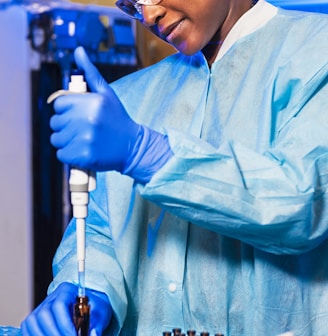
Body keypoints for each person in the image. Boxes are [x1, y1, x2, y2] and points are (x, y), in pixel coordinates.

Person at [21, 0, 328, 335]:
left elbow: (303, 202)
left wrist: (145, 153)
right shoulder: (130, 98)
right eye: (132, 5)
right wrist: (90, 287)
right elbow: (102, 229)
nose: (149, 16)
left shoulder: (316, 54)